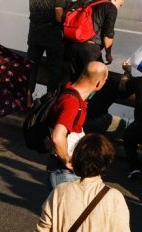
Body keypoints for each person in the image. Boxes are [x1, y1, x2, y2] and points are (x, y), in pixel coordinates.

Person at [36, 134, 130, 232]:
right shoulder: (115, 198)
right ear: (107, 162)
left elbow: (43, 228)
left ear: (77, 158)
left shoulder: (59, 192)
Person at [47, 61, 108, 189]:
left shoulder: (69, 91)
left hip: (65, 168)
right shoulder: (72, 103)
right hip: (64, 171)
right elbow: (57, 137)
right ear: (99, 83)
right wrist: (66, 160)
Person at [27, 0, 72, 92]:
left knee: (32, 66)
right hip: (51, 32)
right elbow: (59, 16)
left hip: (34, 30)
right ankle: (49, 100)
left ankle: (27, 98)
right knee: (54, 69)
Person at [64, 0, 124, 83]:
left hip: (71, 45)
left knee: (72, 80)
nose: (119, 8)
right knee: (97, 80)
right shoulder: (110, 7)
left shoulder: (87, 1)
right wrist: (108, 54)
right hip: (89, 49)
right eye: (120, 5)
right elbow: (108, 34)